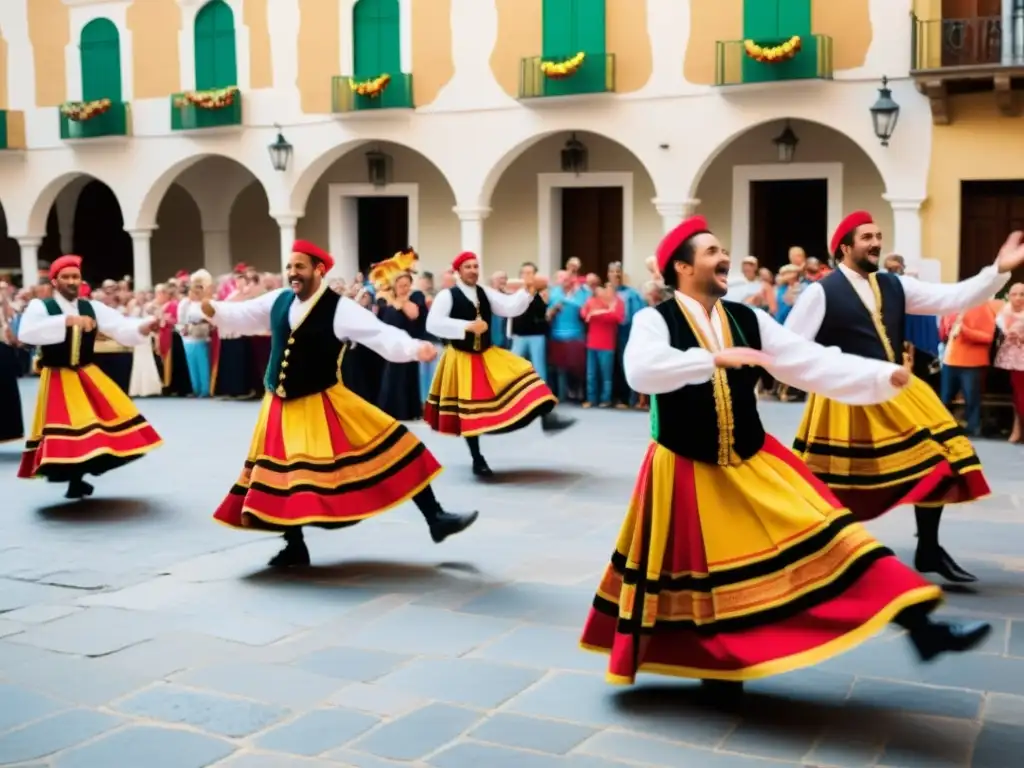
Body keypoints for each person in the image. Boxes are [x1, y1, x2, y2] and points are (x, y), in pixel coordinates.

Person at [579, 216, 990, 696]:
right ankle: (720, 671)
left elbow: (806, 360)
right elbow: (641, 372)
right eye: (712, 251)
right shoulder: (657, 320)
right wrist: (709, 359)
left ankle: (923, 629)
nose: (723, 257)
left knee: (839, 537)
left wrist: (877, 375)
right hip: (686, 468)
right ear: (683, 267)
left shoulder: (746, 318)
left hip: (754, 458)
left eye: (722, 249)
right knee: (707, 579)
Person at [190, 240, 477, 567]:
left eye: (299, 267)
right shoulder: (279, 300)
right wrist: (212, 308)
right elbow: (244, 315)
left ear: (319, 270)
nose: (292, 273)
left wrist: (414, 349)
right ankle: (293, 545)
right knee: (284, 476)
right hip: (280, 405)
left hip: (324, 400)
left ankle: (436, 518)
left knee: (394, 444)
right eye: (290, 267)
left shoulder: (339, 308)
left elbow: (380, 334)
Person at [786, 211, 1023, 584]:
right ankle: (820, 557)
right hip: (846, 398)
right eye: (866, 237)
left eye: (878, 235)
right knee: (833, 486)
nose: (876, 242)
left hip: (897, 391)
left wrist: (998, 270)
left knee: (942, 461)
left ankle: (928, 548)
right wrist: (831, 373)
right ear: (845, 247)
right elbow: (789, 347)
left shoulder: (895, 285)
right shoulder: (821, 292)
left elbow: (951, 297)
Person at [16, 255, 163, 499]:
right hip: (57, 377)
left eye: (75, 276)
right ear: (55, 281)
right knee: (70, 429)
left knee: (95, 425)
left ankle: (81, 476)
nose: (72, 281)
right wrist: (67, 321)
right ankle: (73, 478)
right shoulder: (40, 307)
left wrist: (143, 327)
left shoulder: (91, 306)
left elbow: (119, 326)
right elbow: (27, 333)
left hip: (86, 375)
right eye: (66, 277)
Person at [424, 251, 575, 476]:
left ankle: (546, 416)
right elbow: (432, 324)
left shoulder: (484, 292)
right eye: (468, 267)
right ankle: (477, 459)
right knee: (468, 410)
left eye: (476, 266)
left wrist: (528, 290)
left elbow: (508, 307)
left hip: (486, 352)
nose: (473, 270)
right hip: (461, 357)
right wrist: (466, 326)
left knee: (523, 371)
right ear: (458, 271)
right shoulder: (447, 296)